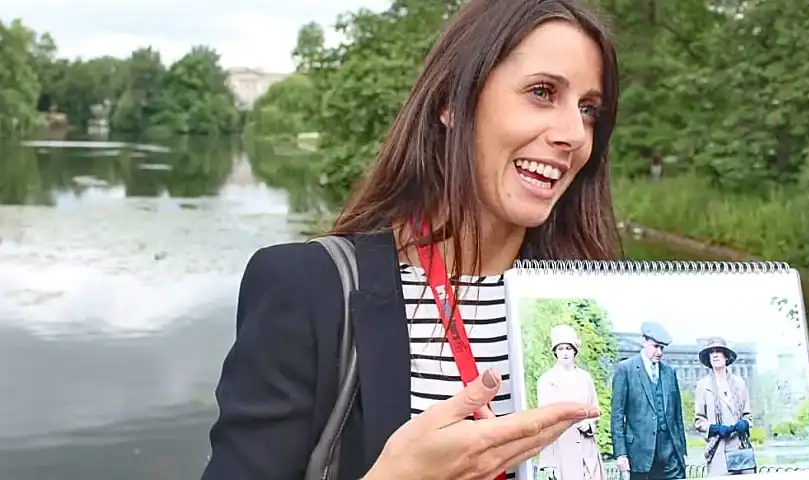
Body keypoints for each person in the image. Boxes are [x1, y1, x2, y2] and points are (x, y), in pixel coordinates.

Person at [200, 0, 622, 478]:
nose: (574, 134)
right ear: (451, 104)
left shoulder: (592, 303)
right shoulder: (307, 289)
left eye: (589, 110)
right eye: (542, 92)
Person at [610, 322, 687, 479]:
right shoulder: (625, 369)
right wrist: (621, 454)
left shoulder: (669, 372)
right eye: (655, 346)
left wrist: (682, 451)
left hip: (670, 456)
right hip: (639, 456)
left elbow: (677, 416)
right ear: (644, 341)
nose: (659, 352)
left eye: (662, 348)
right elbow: (617, 416)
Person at [536, 325, 604, 480]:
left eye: (568, 348)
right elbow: (544, 424)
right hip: (562, 449)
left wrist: (589, 424)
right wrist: (549, 463)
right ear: (555, 352)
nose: (565, 353)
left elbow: (595, 409)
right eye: (560, 349)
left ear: (575, 350)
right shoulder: (547, 381)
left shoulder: (585, 378)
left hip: (588, 449)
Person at [693, 337, 755, 476]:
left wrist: (744, 423)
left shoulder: (739, 383)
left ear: (726, 357)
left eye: (718, 351)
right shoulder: (703, 386)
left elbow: (748, 415)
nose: (714, 355)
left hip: (740, 448)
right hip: (718, 449)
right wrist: (714, 429)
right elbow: (699, 420)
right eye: (711, 352)